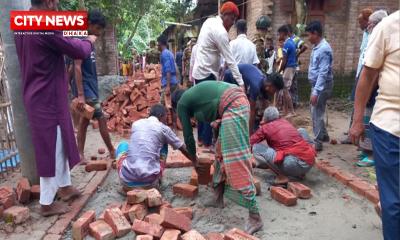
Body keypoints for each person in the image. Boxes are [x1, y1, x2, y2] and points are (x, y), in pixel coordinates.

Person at [14, 0, 97, 216]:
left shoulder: (22, 22)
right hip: (46, 96)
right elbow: (76, 49)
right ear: (49, 2)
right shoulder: (44, 24)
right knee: (49, 147)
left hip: (41, 92)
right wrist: (89, 41)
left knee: (61, 142)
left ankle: (65, 186)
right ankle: (46, 203)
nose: (58, 4)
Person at [173, 81, 263, 234]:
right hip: (235, 102)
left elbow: (188, 136)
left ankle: (255, 216)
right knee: (220, 155)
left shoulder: (181, 103)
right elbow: (213, 109)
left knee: (236, 161)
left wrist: (194, 159)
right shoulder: (195, 97)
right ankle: (217, 197)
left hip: (234, 105)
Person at [350, 10, 400, 240]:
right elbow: (367, 75)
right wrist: (358, 121)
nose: (366, 25)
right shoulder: (389, 27)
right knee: (394, 203)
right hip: (391, 128)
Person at [116, 104, 194, 192]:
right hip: (150, 183)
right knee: (164, 143)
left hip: (127, 182)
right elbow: (182, 148)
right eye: (166, 116)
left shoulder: (136, 124)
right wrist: (196, 162)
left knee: (123, 145)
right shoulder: (164, 128)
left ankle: (127, 183)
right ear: (161, 116)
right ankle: (158, 180)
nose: (167, 120)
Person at [72, 10, 115, 164]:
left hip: (91, 86)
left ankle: (79, 155)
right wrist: (81, 94)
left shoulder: (90, 41)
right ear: (89, 25)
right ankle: (112, 150)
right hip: (86, 89)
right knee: (101, 117)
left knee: (84, 122)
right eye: (97, 29)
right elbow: (76, 67)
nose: (99, 33)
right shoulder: (80, 40)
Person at [354, 10, 388, 168]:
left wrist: (366, 93)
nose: (368, 29)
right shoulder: (372, 39)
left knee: (372, 121)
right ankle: (366, 149)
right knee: (366, 120)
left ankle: (372, 154)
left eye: (370, 26)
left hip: (376, 91)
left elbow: (373, 74)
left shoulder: (383, 41)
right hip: (369, 88)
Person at [251, 107, 316, 185]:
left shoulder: (265, 127)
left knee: (256, 147)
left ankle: (282, 177)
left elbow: (250, 143)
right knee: (301, 131)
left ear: (265, 118)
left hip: (292, 164)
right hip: (309, 162)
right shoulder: (285, 122)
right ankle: (300, 173)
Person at [192, 1, 244, 86]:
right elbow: (230, 60)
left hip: (199, 72)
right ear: (226, 15)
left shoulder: (209, 21)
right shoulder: (221, 32)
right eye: (232, 19)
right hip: (207, 75)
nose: (232, 23)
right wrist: (241, 83)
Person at [342, 8, 373, 145]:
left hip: (367, 75)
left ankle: (359, 137)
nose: (359, 24)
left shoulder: (374, 35)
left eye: (360, 22)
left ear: (367, 21)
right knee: (356, 103)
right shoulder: (366, 34)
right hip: (360, 74)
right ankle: (352, 131)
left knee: (363, 107)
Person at [224, 64, 284, 133]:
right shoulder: (256, 86)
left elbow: (266, 105)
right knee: (239, 106)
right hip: (230, 76)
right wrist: (250, 134)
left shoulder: (265, 82)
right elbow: (251, 111)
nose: (274, 93)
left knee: (257, 106)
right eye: (275, 90)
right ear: (270, 86)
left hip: (242, 78)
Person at [306, 21, 333, 152]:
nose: (308, 38)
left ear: (315, 34)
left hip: (321, 86)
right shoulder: (318, 46)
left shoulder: (323, 49)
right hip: (318, 84)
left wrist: (316, 92)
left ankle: (317, 142)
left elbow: (323, 72)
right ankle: (324, 135)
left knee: (316, 112)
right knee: (317, 110)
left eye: (309, 35)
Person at [277, 25, 296, 117]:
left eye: (279, 34)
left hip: (289, 67)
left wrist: (279, 70)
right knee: (285, 90)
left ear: (283, 33)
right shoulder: (291, 42)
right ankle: (285, 111)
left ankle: (291, 111)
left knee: (285, 90)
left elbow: (284, 61)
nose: (279, 36)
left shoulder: (287, 44)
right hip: (291, 67)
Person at [287, 24, 308, 109]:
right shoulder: (289, 39)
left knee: (293, 85)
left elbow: (305, 46)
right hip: (289, 66)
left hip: (293, 66)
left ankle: (294, 104)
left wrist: (297, 54)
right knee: (290, 85)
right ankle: (291, 104)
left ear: (288, 32)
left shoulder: (295, 39)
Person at [157, 35, 179, 106]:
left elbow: (168, 70)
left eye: (158, 44)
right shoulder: (170, 53)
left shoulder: (164, 54)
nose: (157, 46)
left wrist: (168, 86)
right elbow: (175, 68)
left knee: (162, 106)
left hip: (168, 83)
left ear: (160, 44)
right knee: (173, 104)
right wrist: (177, 81)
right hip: (173, 81)